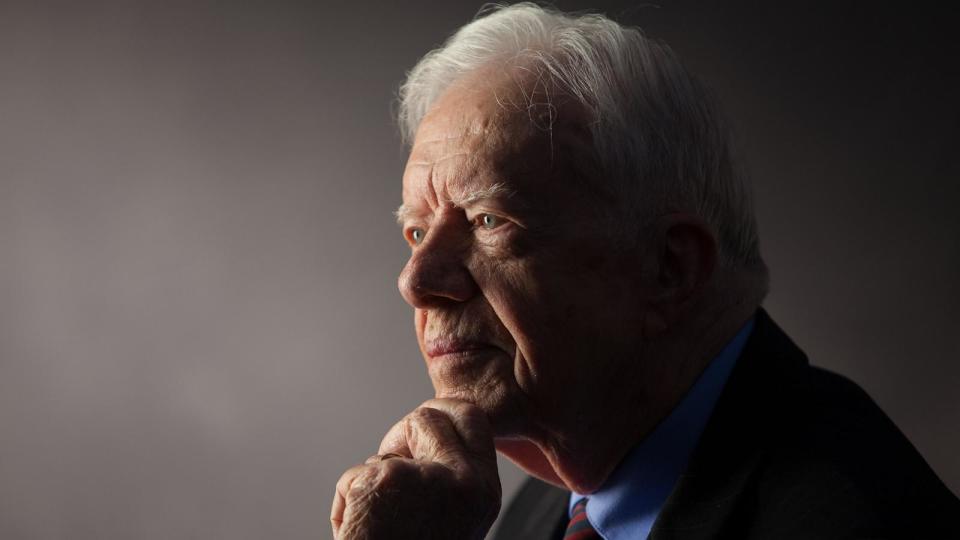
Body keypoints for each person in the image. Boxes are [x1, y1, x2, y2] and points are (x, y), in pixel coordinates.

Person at [330, 4, 960, 539]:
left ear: (669, 268)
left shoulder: (851, 516)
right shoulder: (554, 495)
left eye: (488, 221)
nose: (417, 279)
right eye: (417, 230)